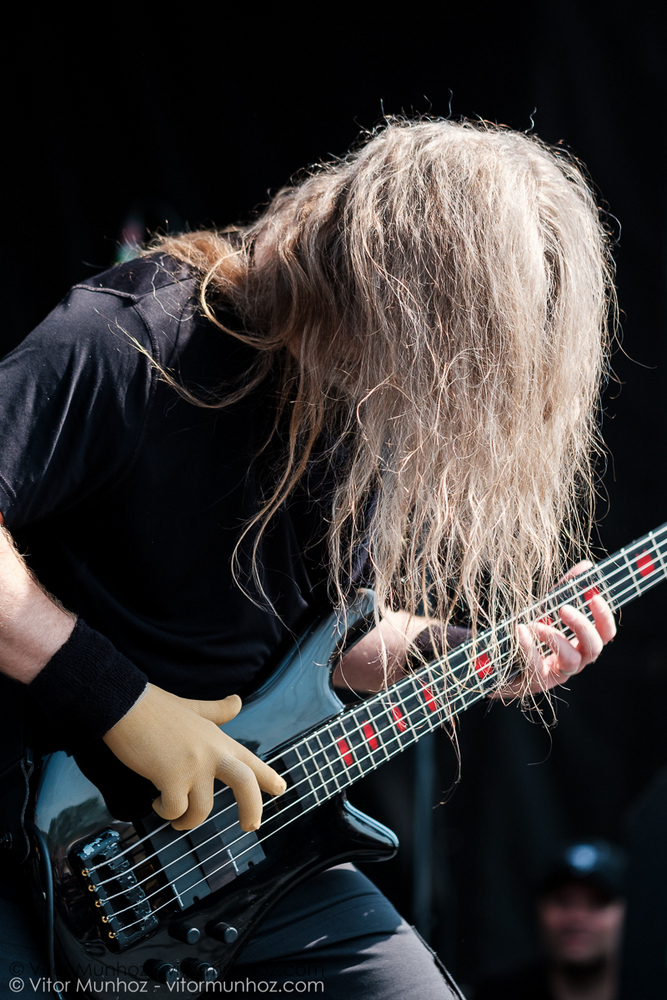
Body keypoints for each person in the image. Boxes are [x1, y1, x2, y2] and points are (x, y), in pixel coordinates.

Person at [0, 119, 617, 998]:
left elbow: (324, 638)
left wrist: (476, 654)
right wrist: (120, 701)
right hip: (38, 842)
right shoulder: (133, 335)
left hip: (231, 858)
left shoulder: (360, 412)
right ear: (400, 291)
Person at [474, 840, 627, 999]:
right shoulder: (495, 994)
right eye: (563, 901)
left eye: (596, 903)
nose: (577, 918)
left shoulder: (651, 990)